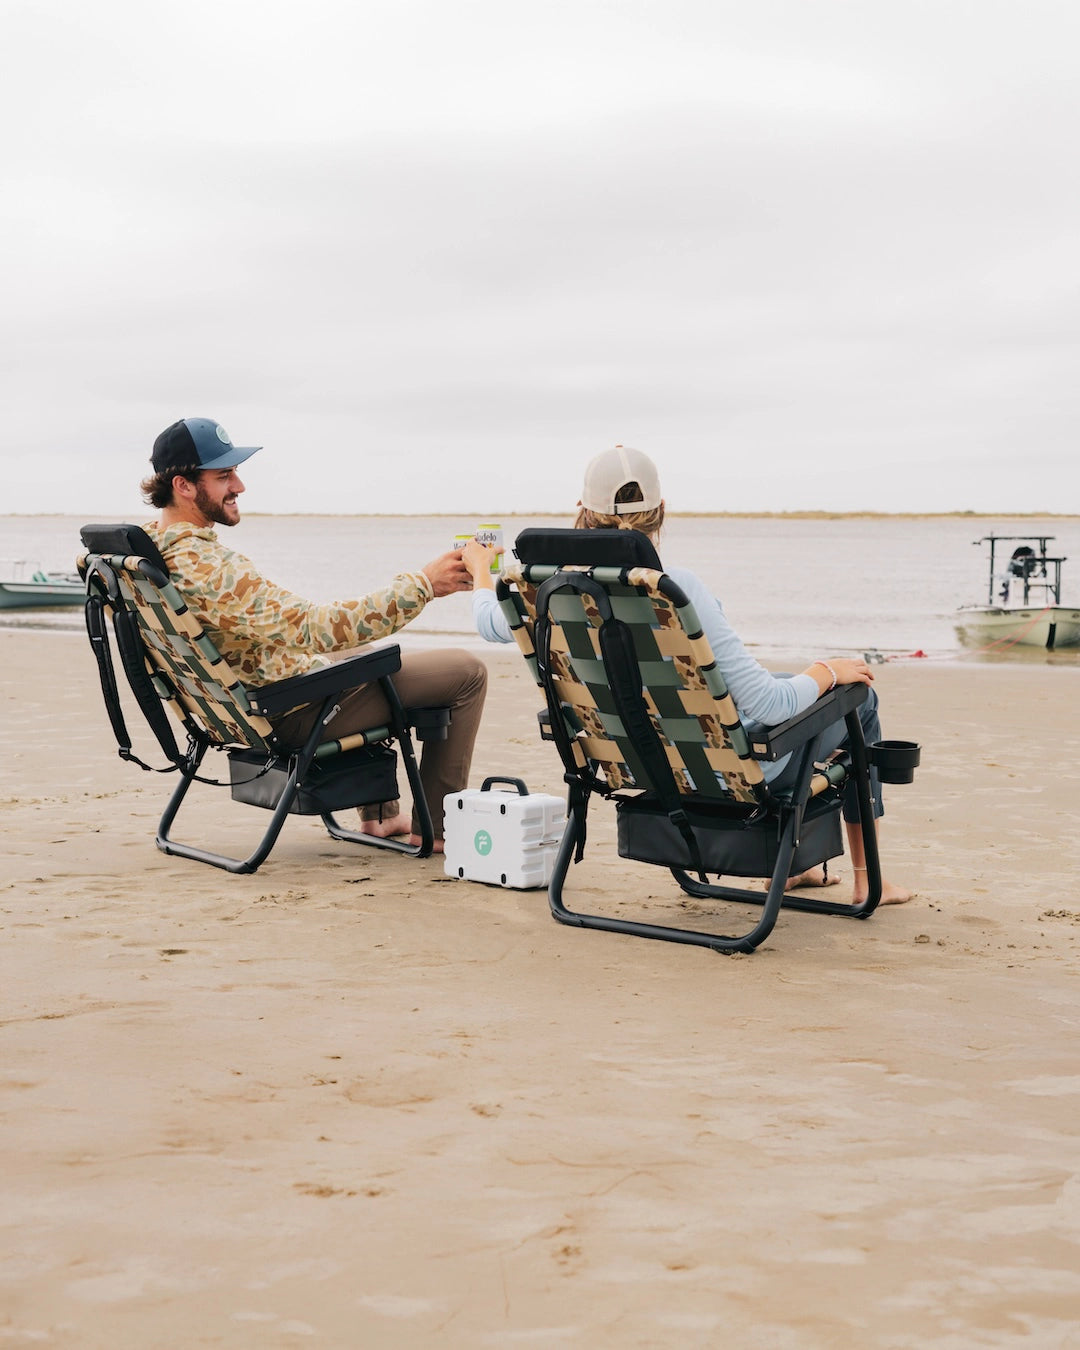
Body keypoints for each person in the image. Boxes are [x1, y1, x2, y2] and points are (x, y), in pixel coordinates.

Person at [464, 445, 912, 904]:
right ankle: (867, 880)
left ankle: (801, 866)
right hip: (723, 770)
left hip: (631, 763)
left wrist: (481, 569)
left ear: (581, 509)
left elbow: (487, 620)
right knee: (858, 700)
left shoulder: (545, 591)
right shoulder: (673, 589)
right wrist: (827, 671)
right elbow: (769, 706)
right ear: (661, 510)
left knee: (784, 680)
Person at [140, 416, 491, 852]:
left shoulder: (149, 553)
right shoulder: (209, 568)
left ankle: (380, 817)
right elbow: (315, 627)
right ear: (184, 486)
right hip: (284, 714)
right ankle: (436, 829)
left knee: (365, 651)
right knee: (466, 671)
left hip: (230, 710)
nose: (240, 486)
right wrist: (424, 585)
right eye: (224, 475)